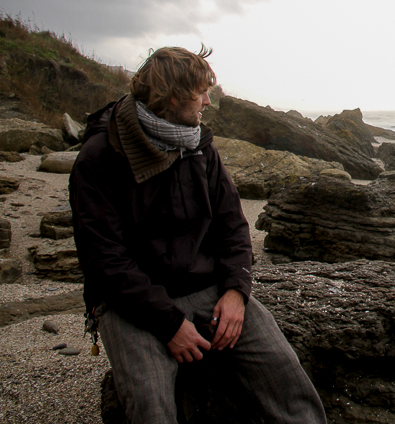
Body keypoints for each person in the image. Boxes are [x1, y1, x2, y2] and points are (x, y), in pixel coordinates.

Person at [69, 46, 327, 424]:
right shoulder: (99, 157)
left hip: (207, 285)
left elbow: (232, 225)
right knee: (151, 405)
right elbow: (104, 260)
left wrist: (237, 292)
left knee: (285, 375)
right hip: (130, 301)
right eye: (201, 92)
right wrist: (169, 323)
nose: (209, 100)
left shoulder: (199, 145)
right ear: (173, 97)